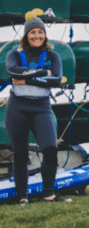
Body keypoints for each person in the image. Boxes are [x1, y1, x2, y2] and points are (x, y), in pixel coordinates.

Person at [4, 17, 67, 204]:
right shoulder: (13, 54)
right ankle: (22, 197)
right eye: (33, 32)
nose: (37, 36)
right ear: (26, 35)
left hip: (42, 107)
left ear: (44, 35)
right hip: (18, 107)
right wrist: (43, 73)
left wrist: (28, 78)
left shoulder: (53, 57)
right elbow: (13, 72)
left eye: (40, 32)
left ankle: (49, 194)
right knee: (20, 153)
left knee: (50, 149)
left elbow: (57, 80)